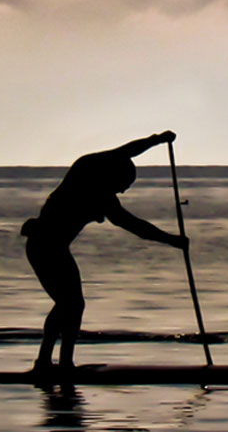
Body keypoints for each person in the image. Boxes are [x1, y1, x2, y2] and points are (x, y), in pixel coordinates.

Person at [22, 131, 186, 376]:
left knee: (70, 304)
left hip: (54, 247)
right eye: (122, 187)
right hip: (43, 245)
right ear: (113, 176)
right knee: (71, 303)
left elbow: (136, 225)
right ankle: (53, 364)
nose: (121, 193)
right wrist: (157, 140)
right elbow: (136, 224)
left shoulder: (100, 187)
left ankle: (56, 363)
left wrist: (173, 241)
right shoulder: (89, 175)